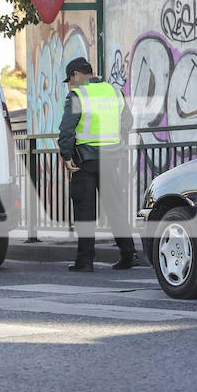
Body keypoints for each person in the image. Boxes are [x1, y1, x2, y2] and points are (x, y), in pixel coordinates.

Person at [57, 57, 139, 272]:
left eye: (69, 79)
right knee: (116, 208)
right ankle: (129, 254)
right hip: (111, 159)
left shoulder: (78, 95)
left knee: (85, 211)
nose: (69, 84)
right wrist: (116, 142)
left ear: (76, 74)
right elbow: (127, 122)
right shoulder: (113, 92)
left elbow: (67, 129)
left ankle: (85, 261)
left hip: (85, 161)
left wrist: (66, 156)